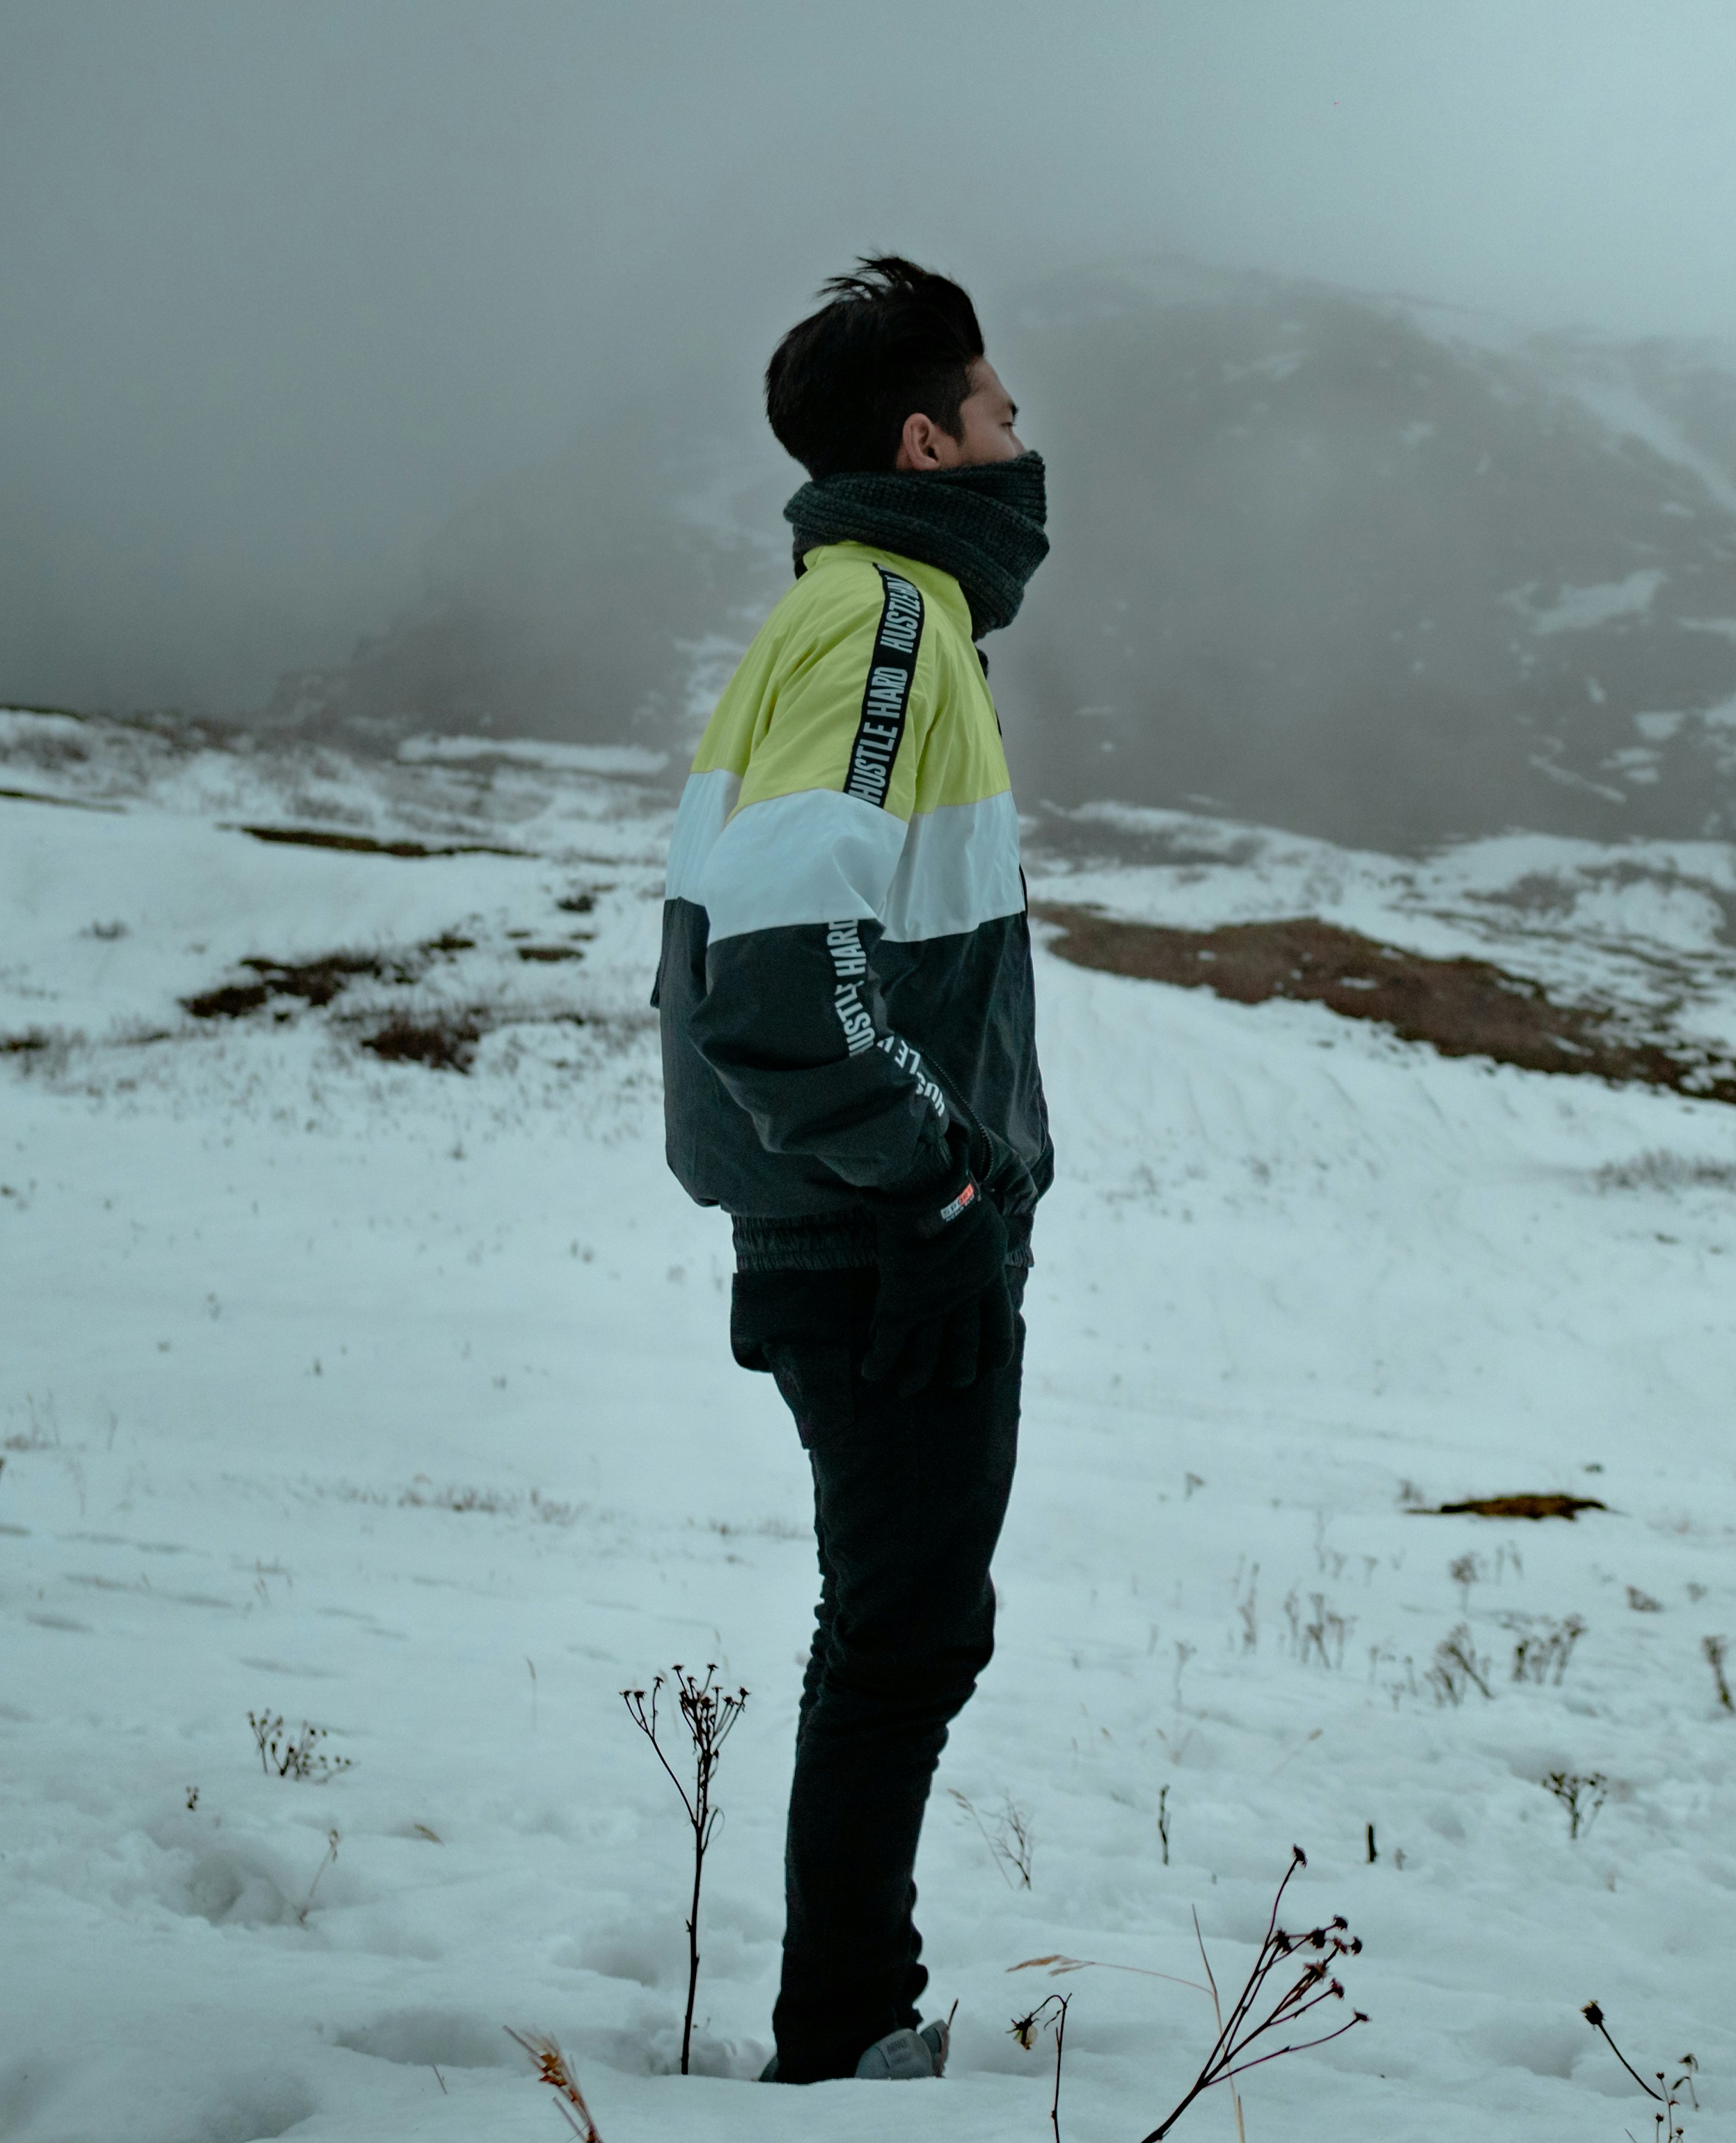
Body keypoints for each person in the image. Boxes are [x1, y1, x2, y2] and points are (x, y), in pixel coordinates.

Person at [654, 253, 1053, 2085]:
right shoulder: (882, 622)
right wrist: (944, 1192)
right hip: (886, 1242)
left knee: (907, 1626)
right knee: (900, 1635)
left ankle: (855, 2024)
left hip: (868, 1225)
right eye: (1000, 415)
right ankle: (849, 2044)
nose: (1025, 443)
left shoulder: (872, 622)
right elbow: (779, 978)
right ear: (927, 441)